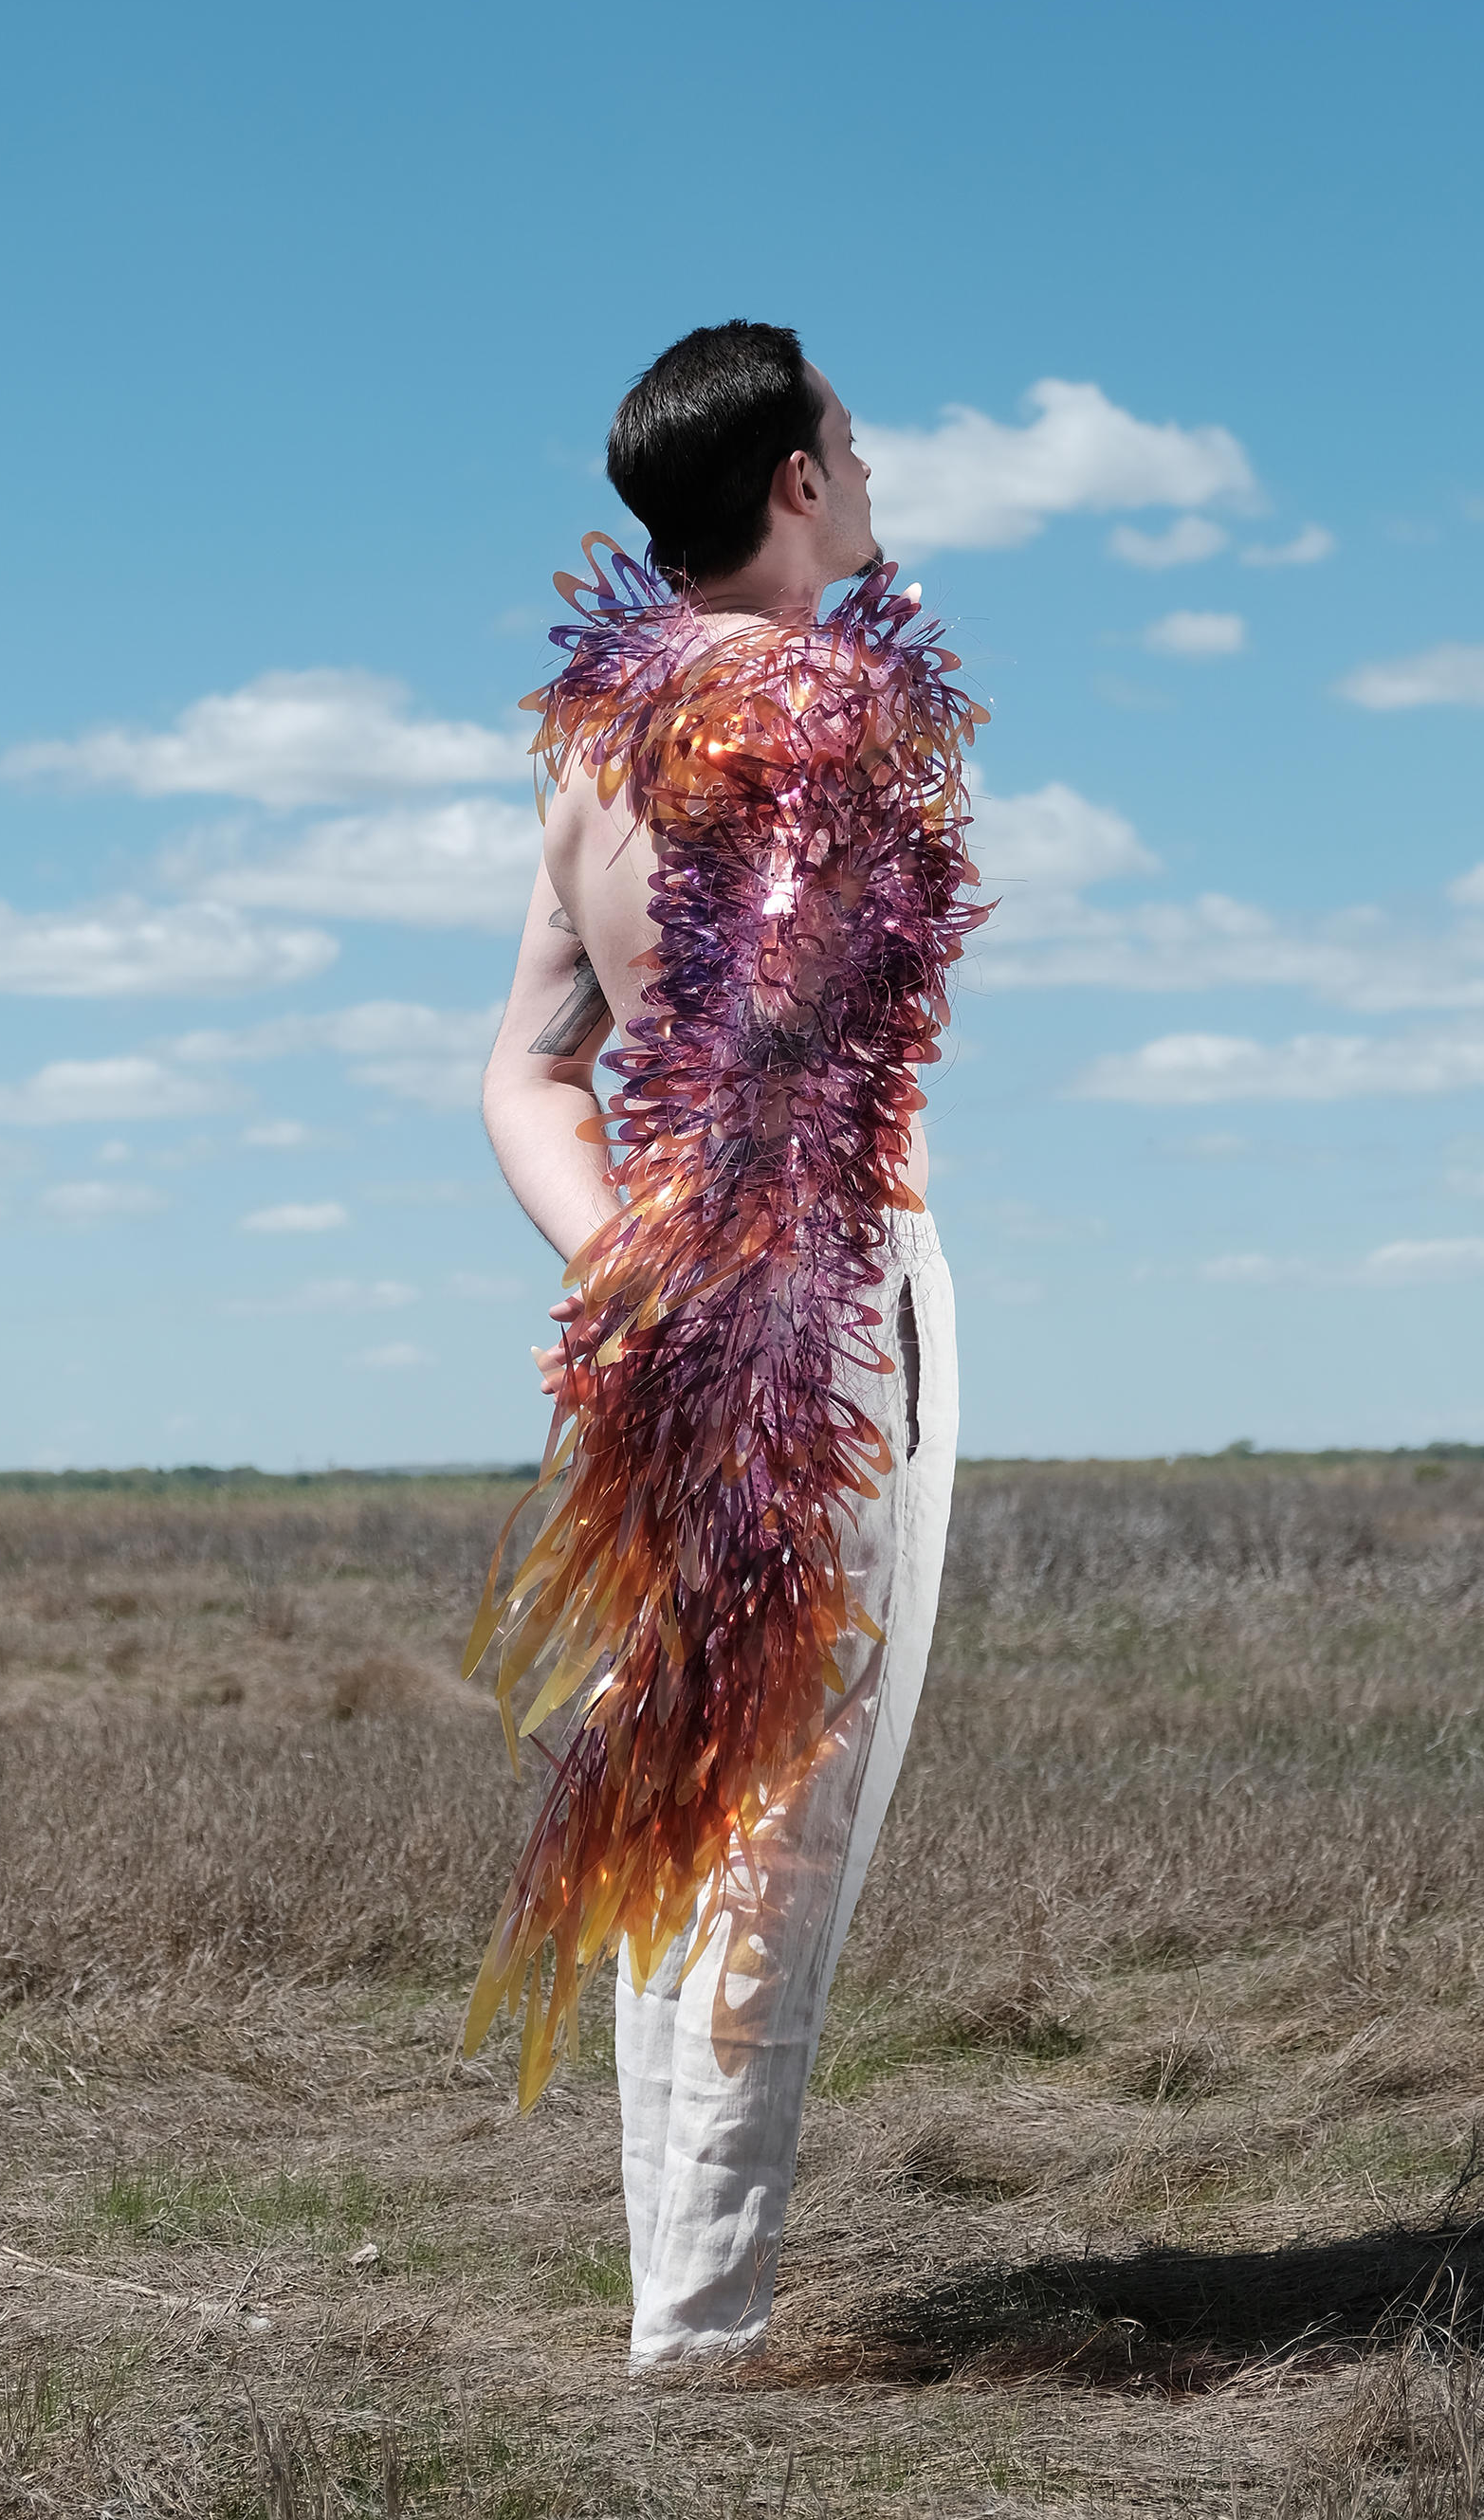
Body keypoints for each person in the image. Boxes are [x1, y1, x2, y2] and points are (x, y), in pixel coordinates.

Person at [467, 320, 982, 2369]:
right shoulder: (826, 704)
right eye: (848, 445)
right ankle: (705, 2337)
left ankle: (682, 2308)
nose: (869, 478)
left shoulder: (593, 752)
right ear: (790, 480)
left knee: (681, 1794)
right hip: (824, 1314)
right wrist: (739, 1280)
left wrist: (628, 1270)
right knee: (786, 1810)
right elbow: (779, 1035)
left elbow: (525, 1077)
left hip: (673, 1323)